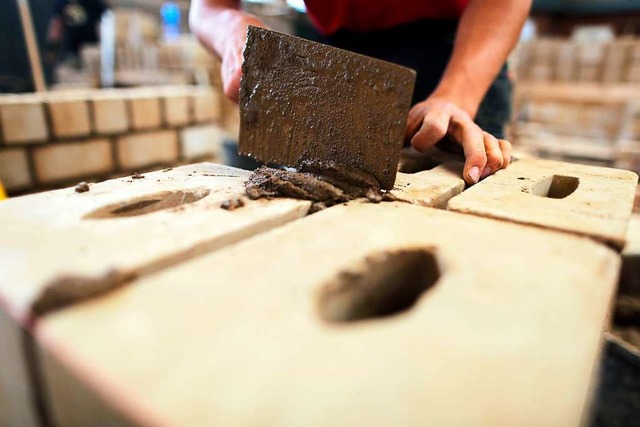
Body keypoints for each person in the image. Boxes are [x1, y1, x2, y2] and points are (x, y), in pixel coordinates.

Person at [190, 0, 531, 185]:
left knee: (468, 186)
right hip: (338, 54)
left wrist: (457, 96)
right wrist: (233, 35)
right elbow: (209, 6)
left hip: (461, 43)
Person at [46, 0, 109, 64]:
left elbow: (106, 21)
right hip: (75, 52)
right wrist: (52, 49)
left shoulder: (94, 3)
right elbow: (56, 27)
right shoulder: (62, 3)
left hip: (94, 49)